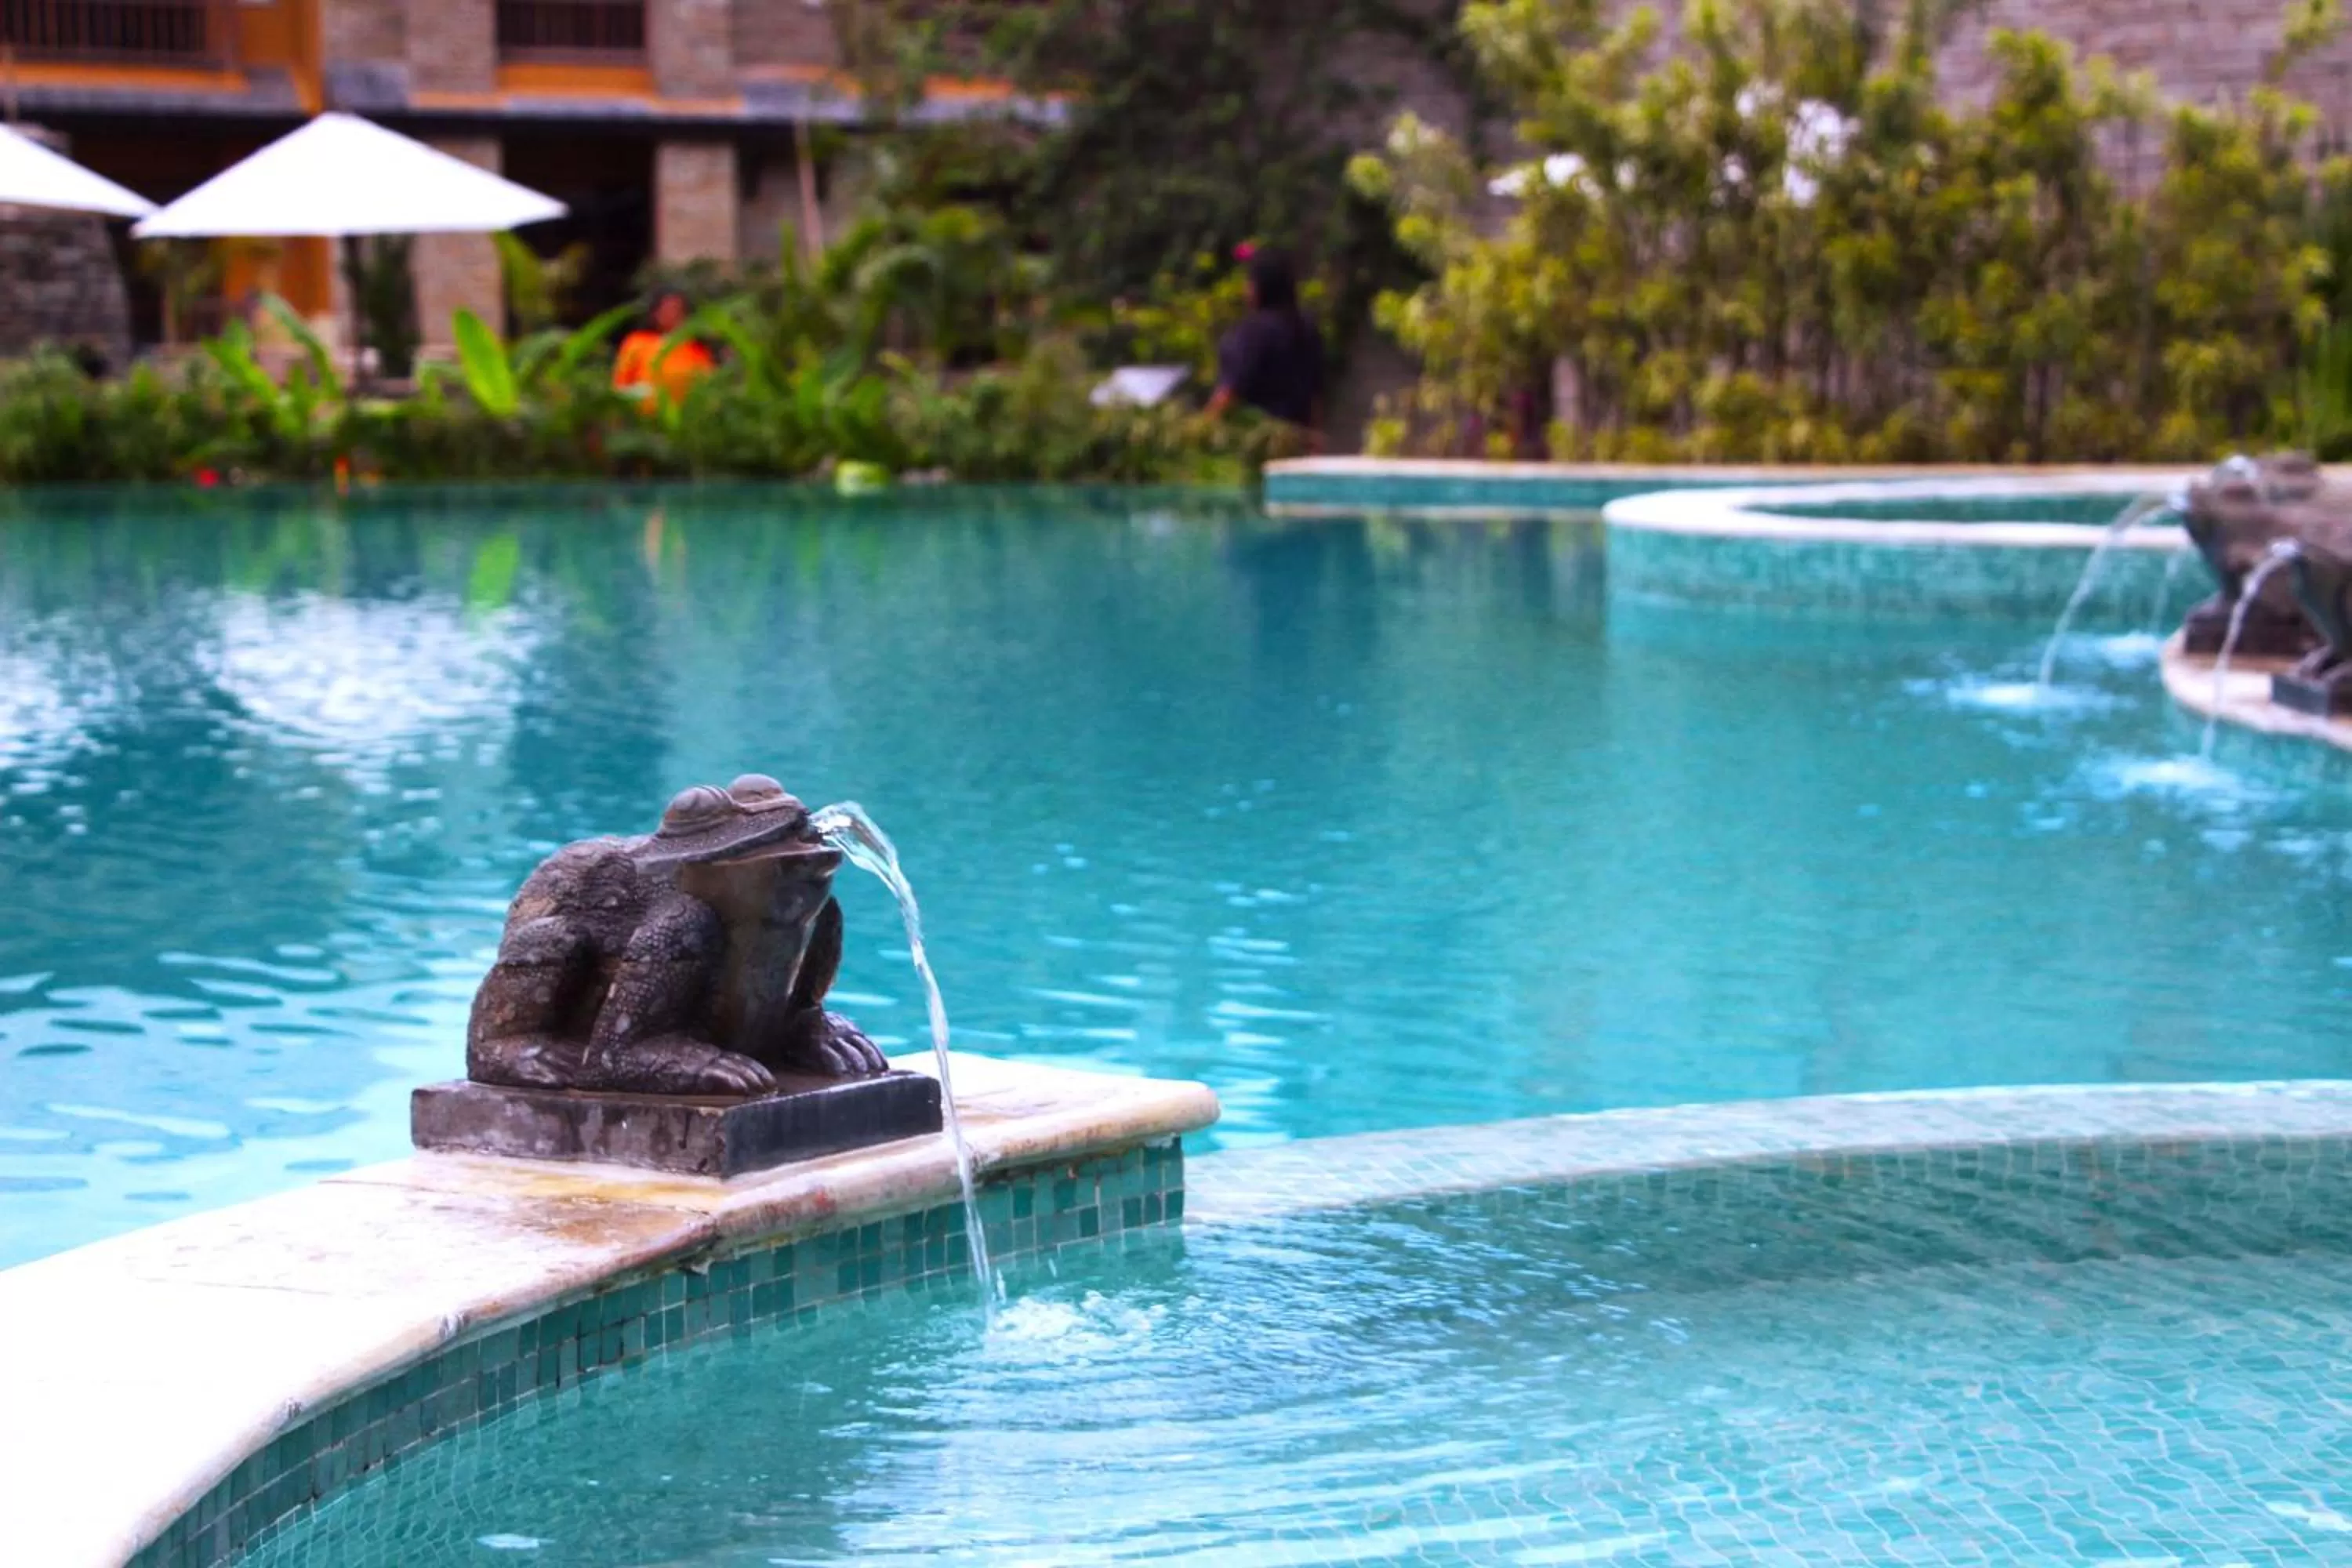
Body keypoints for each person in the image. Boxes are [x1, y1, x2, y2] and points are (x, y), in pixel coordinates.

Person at [1205, 246, 1323, 437]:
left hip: (1256, 440)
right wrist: (1315, 438)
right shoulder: (1307, 329)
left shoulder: (1251, 333)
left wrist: (1202, 427)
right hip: (1296, 441)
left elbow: (1229, 393)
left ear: (1259, 287)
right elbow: (1315, 398)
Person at [612, 290, 715, 405]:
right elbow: (621, 383)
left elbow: (709, 385)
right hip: (642, 416)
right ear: (655, 313)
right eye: (666, 310)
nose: (672, 315)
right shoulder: (637, 342)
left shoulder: (697, 349)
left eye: (677, 310)